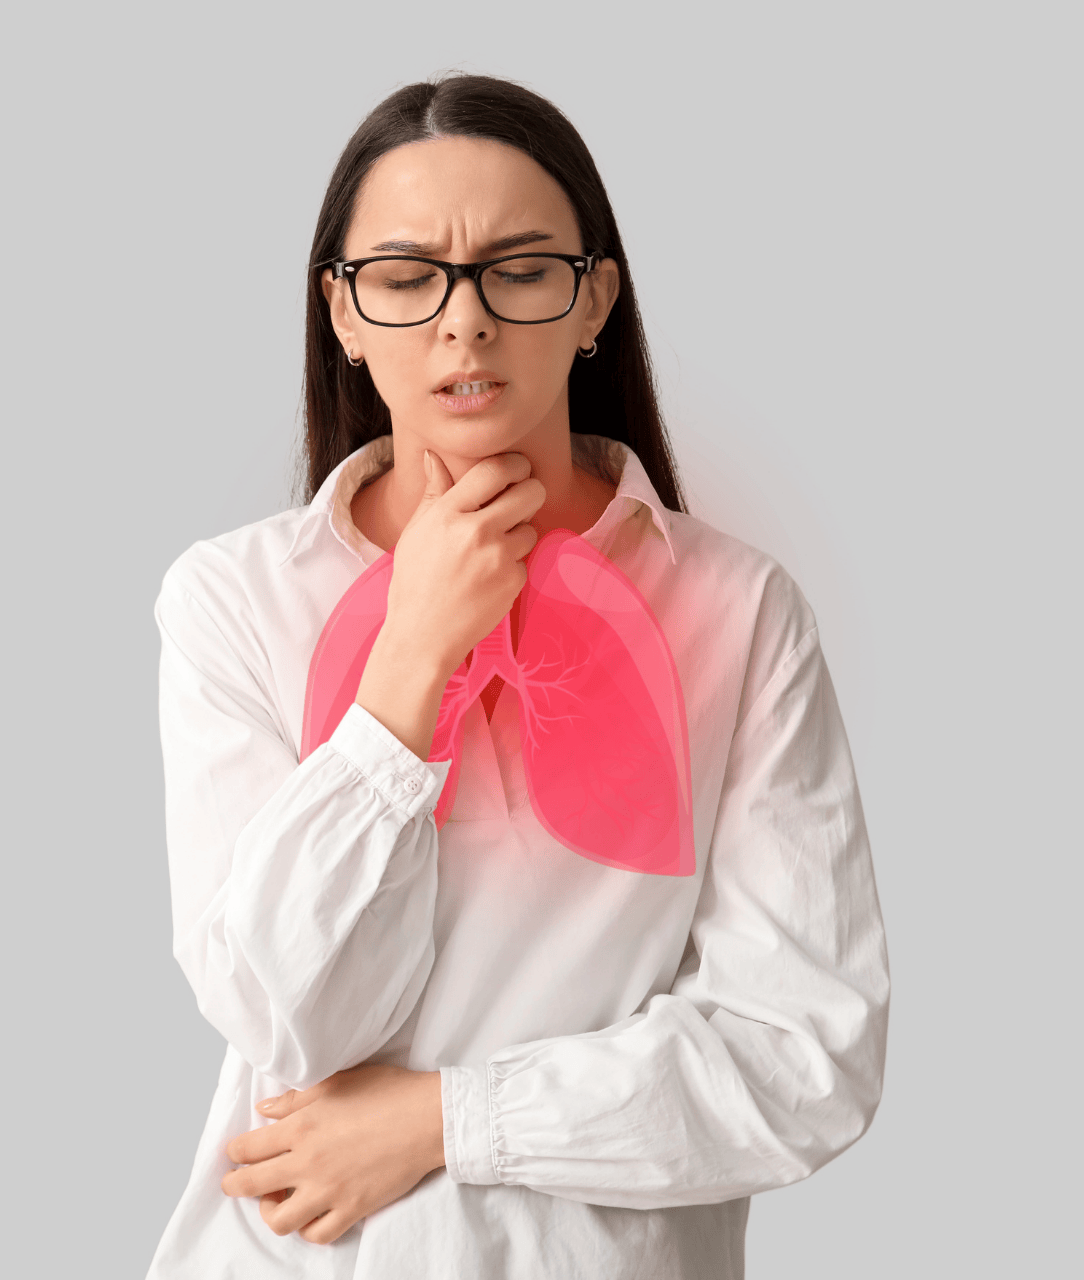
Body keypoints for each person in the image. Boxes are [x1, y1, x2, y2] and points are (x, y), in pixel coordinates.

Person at [146, 74, 889, 1279]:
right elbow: (291, 1021)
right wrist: (410, 663)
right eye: (402, 275)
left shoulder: (739, 613)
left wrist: (446, 1119)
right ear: (340, 311)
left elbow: (806, 1054)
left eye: (520, 267)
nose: (463, 322)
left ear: (593, 296)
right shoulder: (233, 600)